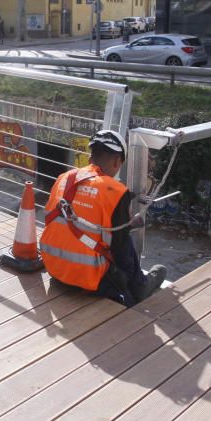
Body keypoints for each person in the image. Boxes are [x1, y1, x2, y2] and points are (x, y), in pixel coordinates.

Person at [40, 129, 167, 305]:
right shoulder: (115, 191)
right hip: (89, 279)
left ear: (91, 157)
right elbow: (120, 250)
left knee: (120, 233)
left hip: (54, 269)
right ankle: (141, 286)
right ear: (117, 161)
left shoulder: (64, 178)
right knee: (123, 242)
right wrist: (125, 228)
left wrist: (125, 224)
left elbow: (72, 219)